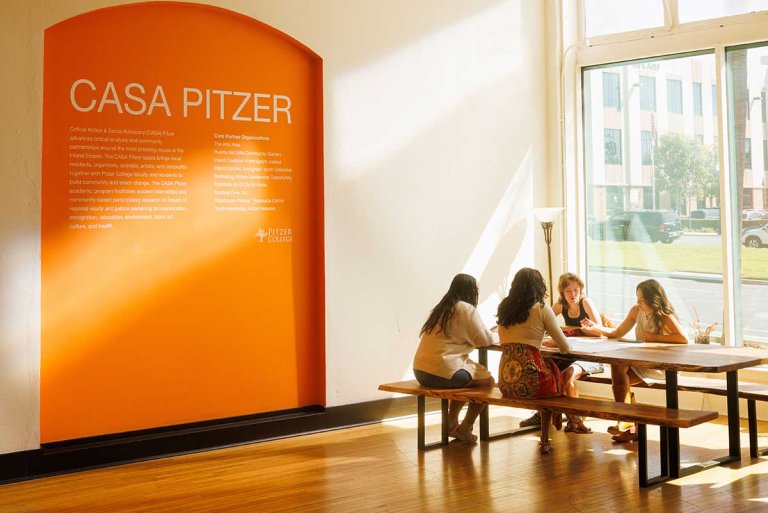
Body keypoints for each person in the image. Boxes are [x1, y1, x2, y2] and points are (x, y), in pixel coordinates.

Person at [581, 278, 688, 443]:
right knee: (617, 367)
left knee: (620, 382)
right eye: (637, 299)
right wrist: (595, 327)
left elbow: (683, 339)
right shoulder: (636, 311)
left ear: (653, 300)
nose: (638, 303)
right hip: (640, 360)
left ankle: (627, 422)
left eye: (642, 300)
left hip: (659, 365)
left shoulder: (664, 315)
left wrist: (655, 337)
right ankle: (626, 421)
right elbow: (617, 332)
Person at [413, 273, 496, 444]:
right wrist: (497, 334)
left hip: (421, 371)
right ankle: (465, 427)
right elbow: (484, 340)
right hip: (443, 371)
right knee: (487, 382)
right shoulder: (466, 309)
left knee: (470, 378)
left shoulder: (441, 309)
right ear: (472, 291)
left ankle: (451, 423)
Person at [496, 267, 571, 455]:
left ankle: (570, 422)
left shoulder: (504, 308)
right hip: (531, 382)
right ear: (539, 286)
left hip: (506, 382)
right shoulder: (541, 308)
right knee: (553, 375)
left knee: (549, 373)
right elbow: (565, 347)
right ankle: (547, 438)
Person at [520, 272, 605, 433]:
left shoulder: (585, 303)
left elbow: (600, 332)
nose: (573, 294)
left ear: (581, 290)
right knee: (547, 372)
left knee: (566, 375)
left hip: (592, 354)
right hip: (571, 353)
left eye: (576, 290)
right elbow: (545, 322)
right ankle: (548, 414)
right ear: (562, 292)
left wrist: (577, 329)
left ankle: (572, 418)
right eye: (568, 291)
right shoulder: (560, 305)